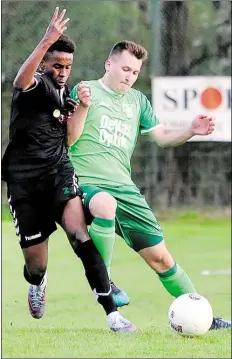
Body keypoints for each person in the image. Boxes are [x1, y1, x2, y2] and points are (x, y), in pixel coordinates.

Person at [68, 40, 231, 330]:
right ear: (109, 64)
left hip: (124, 188)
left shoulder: (138, 101)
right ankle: (104, 283)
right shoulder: (86, 90)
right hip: (87, 183)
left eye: (136, 72)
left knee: (162, 258)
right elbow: (69, 138)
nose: (130, 76)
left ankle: (204, 317)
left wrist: (191, 130)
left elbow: (162, 136)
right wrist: (81, 106)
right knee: (105, 204)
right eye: (125, 68)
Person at [1, 12, 137, 333]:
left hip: (59, 175)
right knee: (36, 265)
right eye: (56, 65)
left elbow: (70, 139)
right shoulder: (35, 86)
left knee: (80, 236)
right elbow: (21, 80)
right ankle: (38, 282)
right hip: (24, 184)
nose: (62, 72)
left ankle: (112, 314)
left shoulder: (65, 93)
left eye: (67, 67)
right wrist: (47, 39)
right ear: (45, 63)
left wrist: (84, 109)